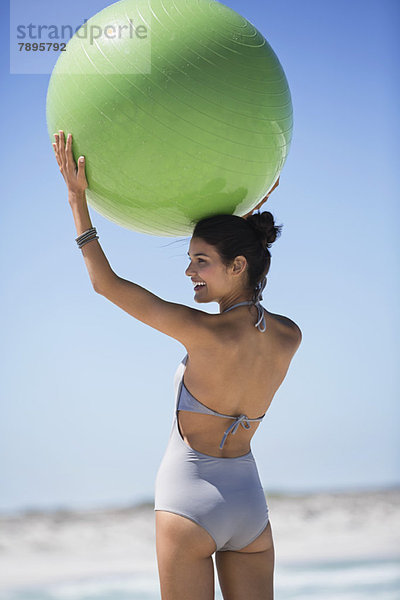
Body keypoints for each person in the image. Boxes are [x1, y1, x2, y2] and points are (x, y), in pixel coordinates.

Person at [52, 131, 302, 600]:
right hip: (250, 504)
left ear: (238, 265)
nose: (189, 272)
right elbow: (246, 270)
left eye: (201, 261)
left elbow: (105, 284)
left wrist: (76, 200)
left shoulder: (203, 333)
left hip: (189, 502)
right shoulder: (289, 336)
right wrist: (242, 219)